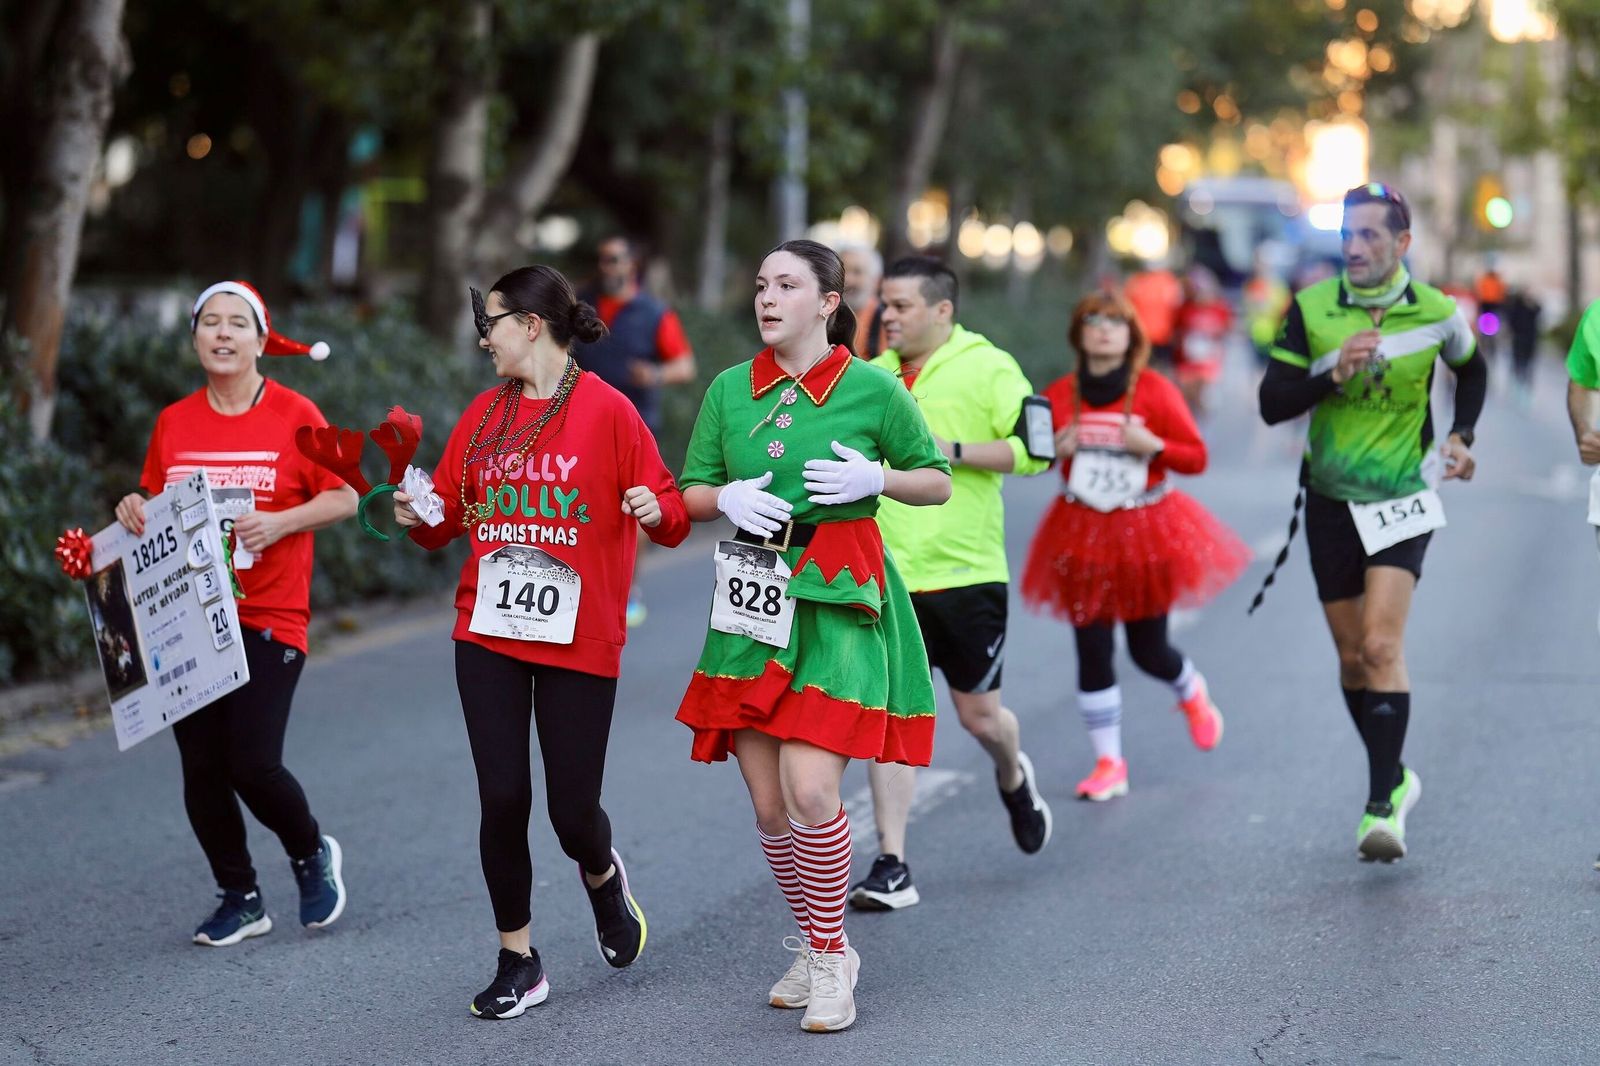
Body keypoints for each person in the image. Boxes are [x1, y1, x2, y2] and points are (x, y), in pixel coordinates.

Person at [395, 265, 690, 1019]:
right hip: (487, 628)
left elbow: (673, 514)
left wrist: (652, 509)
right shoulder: (484, 413)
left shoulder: (609, 411)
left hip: (578, 634)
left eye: (490, 323)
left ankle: (602, 876)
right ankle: (518, 959)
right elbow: (445, 519)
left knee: (571, 812)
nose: (482, 339)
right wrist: (417, 511)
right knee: (502, 797)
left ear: (531, 325)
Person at [672, 239, 951, 1032]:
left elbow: (935, 480)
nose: (767, 298)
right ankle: (821, 943)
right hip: (755, 592)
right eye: (761, 284)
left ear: (828, 303)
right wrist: (725, 499)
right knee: (769, 807)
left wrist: (877, 479)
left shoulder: (873, 388)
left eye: (787, 285)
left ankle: (830, 960)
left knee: (812, 790)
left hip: (837, 588)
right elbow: (689, 489)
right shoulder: (730, 389)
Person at [114, 280, 354, 946]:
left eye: (236, 323)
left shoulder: (296, 413)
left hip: (271, 614)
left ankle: (310, 851)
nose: (222, 333)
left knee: (252, 761)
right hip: (188, 618)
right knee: (201, 766)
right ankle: (240, 896)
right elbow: (157, 506)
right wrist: (133, 507)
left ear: (260, 339)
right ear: (195, 336)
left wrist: (281, 523)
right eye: (210, 322)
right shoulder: (174, 421)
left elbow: (343, 497)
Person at [1258, 182, 1486, 862]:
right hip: (1330, 499)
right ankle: (1397, 773)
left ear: (1402, 243)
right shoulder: (1311, 308)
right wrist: (1331, 376)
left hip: (1401, 498)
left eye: (1369, 236)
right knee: (1353, 657)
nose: (1354, 248)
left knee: (1382, 647)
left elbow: (1472, 371)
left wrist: (1461, 435)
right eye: (1347, 236)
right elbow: (1272, 404)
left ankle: (1381, 804)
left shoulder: (1437, 310)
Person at [848, 256, 1053, 913]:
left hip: (967, 573)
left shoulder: (990, 366)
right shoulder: (870, 376)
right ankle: (893, 863)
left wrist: (950, 450)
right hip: (887, 574)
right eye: (884, 304)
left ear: (942, 310)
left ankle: (1012, 774)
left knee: (979, 717)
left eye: (901, 305)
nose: (887, 316)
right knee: (891, 717)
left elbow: (1039, 449)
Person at [1022, 291, 1248, 802]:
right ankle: (1109, 763)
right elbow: (1028, 458)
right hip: (1080, 529)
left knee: (1149, 650)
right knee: (1092, 646)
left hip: (1145, 528)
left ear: (1132, 336)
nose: (1104, 330)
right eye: (1093, 320)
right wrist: (1053, 451)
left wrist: (1155, 447)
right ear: (1078, 334)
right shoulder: (1058, 395)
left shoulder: (1155, 390)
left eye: (1116, 322)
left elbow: (1196, 458)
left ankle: (1190, 690)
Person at [573, 235, 697, 626]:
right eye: (602, 259)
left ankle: (627, 589)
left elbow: (685, 366)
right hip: (579, 422)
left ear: (632, 264)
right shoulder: (581, 304)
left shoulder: (654, 312)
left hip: (635, 425)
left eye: (614, 259)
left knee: (636, 509)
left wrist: (655, 374)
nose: (607, 267)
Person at [1174, 265, 1234, 414]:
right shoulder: (1184, 308)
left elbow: (1227, 329)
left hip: (1208, 360)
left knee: (1202, 400)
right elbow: (1176, 330)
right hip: (1186, 360)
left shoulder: (1220, 308)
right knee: (1186, 398)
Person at [1124, 264, 1183, 372]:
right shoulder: (1137, 280)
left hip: (1159, 336)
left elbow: (1176, 308)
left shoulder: (1167, 281)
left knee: (1154, 370)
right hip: (1143, 335)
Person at [840, 242, 887, 359]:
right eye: (842, 271)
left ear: (877, 281)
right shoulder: (821, 318)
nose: (848, 279)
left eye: (857, 272)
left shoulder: (886, 322)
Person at [1505, 288, 1542, 404]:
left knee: (1528, 365)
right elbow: (1511, 321)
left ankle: (1526, 387)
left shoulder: (1533, 308)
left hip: (1530, 341)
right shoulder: (1516, 308)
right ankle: (1516, 384)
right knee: (1517, 362)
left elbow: (1539, 311)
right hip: (1519, 339)